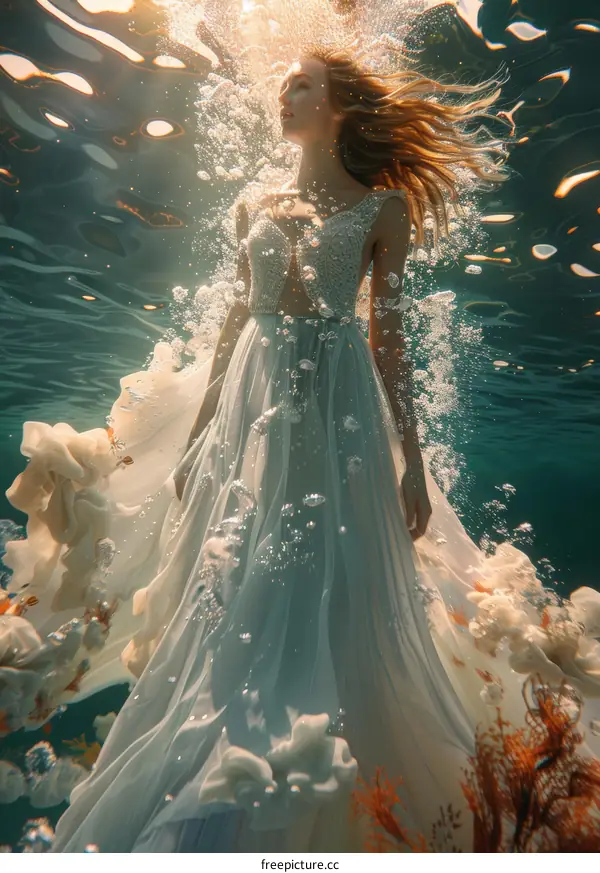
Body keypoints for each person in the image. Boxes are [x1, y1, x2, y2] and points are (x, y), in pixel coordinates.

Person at [5, 42, 600, 853]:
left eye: (301, 87)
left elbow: (389, 340)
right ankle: (236, 723)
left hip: (337, 401)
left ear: (340, 104)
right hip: (255, 397)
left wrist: (414, 460)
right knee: (244, 558)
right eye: (284, 87)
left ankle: (321, 747)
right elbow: (230, 325)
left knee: (327, 559)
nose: (283, 98)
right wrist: (204, 426)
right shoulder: (255, 203)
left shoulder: (382, 209)